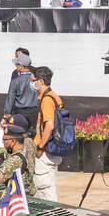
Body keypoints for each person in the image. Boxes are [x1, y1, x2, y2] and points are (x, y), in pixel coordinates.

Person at [31, 66, 63, 201]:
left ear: (41, 81)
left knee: (45, 189)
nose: (32, 83)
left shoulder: (47, 100)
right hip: (54, 148)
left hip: (46, 151)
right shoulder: (55, 97)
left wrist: (40, 146)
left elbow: (49, 125)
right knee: (45, 187)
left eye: (34, 81)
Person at [0, 121, 37, 196]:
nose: (3, 142)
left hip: (19, 198)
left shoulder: (15, 160)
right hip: (29, 192)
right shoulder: (29, 144)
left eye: (5, 140)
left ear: (13, 141)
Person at [1, 49, 39, 130]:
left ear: (21, 66)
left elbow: (10, 99)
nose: (15, 66)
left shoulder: (16, 80)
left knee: (19, 135)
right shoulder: (37, 79)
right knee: (34, 134)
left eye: (17, 64)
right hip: (35, 112)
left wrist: (5, 116)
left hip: (20, 113)